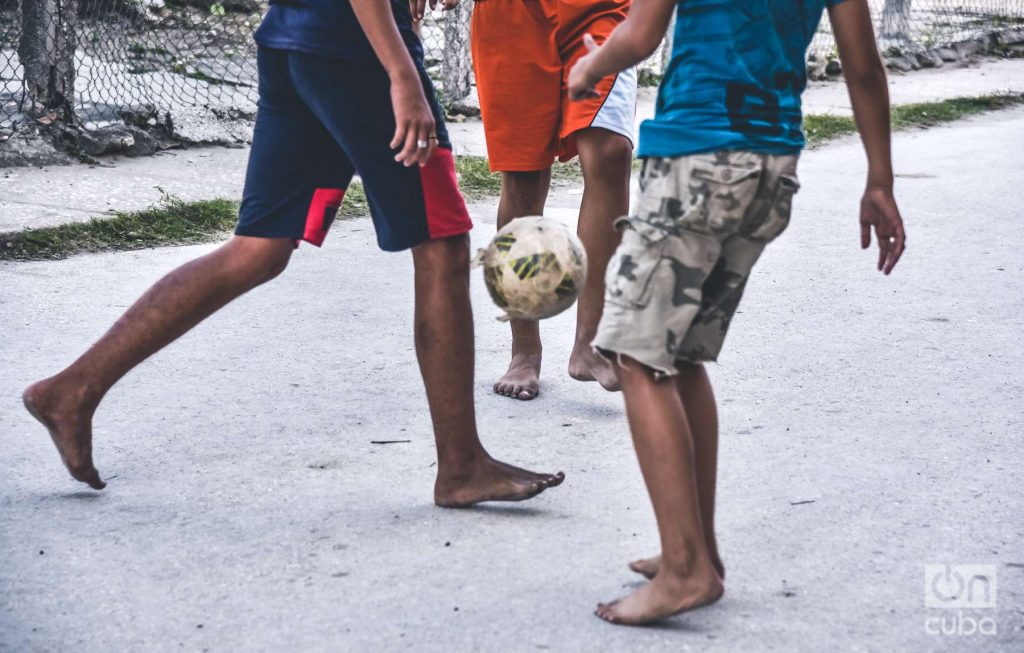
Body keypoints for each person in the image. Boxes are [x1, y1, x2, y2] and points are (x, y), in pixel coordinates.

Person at [23, 0, 564, 507]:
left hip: (294, 36)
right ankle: (463, 466)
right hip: (358, 51)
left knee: (259, 248)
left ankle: (72, 390)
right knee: (442, 244)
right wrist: (402, 75)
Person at [568, 0, 907, 624]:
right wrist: (879, 179)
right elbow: (863, 68)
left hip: (698, 158)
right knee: (683, 357)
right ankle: (701, 552)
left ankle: (684, 570)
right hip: (770, 167)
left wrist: (590, 67)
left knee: (636, 356)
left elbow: (640, 35)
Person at [468, 0, 637, 400]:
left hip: (602, 8)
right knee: (523, 178)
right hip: (510, 14)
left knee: (611, 151)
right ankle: (524, 348)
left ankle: (591, 342)